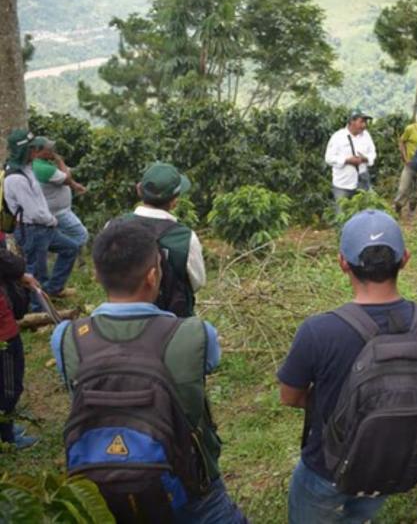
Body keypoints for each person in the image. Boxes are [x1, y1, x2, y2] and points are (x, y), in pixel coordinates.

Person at [50, 222, 245, 523]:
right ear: (153, 276)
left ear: (96, 274)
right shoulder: (196, 334)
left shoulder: (67, 337)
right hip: (188, 486)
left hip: (99, 488)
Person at [278, 209, 417, 523]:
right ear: (405, 258)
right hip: (388, 461)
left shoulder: (319, 330)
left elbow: (289, 396)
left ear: (343, 262)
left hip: (326, 467)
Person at [3, 129, 80, 304]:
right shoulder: (16, 178)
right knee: (37, 272)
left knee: (71, 248)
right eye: (31, 149)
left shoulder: (27, 169)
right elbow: (32, 211)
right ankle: (38, 310)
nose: (35, 152)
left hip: (44, 227)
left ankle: (53, 290)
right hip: (33, 229)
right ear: (24, 150)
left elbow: (38, 200)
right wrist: (51, 220)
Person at [120, 162, 206, 317]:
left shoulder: (113, 227)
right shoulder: (185, 238)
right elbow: (197, 283)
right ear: (174, 202)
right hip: (174, 325)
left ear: (139, 190)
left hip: (122, 319)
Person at [0, 238, 39, 449]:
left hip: (6, 325)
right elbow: (12, 263)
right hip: (3, 333)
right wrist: (19, 270)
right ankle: (7, 439)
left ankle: (6, 428)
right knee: (8, 387)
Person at [30, 136, 89, 247]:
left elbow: (64, 176)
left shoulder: (43, 163)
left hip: (54, 211)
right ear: (38, 151)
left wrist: (75, 185)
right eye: (49, 149)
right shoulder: (43, 168)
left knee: (60, 237)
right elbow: (66, 178)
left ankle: (69, 254)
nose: (53, 151)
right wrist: (59, 160)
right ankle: (70, 256)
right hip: (58, 212)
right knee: (81, 234)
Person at [324, 109, 377, 208]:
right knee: (341, 213)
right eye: (361, 122)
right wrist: (347, 160)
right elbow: (329, 158)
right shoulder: (338, 137)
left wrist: (365, 159)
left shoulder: (366, 135)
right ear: (352, 121)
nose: (364, 125)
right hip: (343, 183)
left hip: (362, 180)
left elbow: (373, 153)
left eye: (365, 122)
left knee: (366, 209)